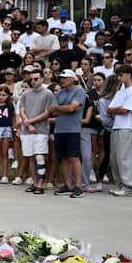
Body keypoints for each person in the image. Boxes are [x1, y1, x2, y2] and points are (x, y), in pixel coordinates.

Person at [48, 69, 87, 197]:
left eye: (65, 78)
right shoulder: (59, 93)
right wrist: (68, 108)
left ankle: (78, 186)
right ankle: (68, 185)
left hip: (73, 129)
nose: (62, 80)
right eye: (61, 78)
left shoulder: (79, 90)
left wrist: (65, 108)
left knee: (74, 158)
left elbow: (73, 107)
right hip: (59, 129)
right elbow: (53, 111)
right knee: (64, 158)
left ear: (72, 79)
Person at [16, 67, 53, 195]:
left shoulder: (48, 93)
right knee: (30, 157)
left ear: (42, 79)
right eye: (31, 79)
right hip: (27, 130)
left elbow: (48, 112)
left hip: (41, 130)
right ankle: (35, 182)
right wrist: (27, 121)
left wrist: (31, 121)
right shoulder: (26, 93)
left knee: (40, 156)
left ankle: (40, 184)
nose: (33, 81)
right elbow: (21, 110)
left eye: (36, 79)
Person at [107, 64, 132, 196]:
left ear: (129, 75)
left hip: (127, 127)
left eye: (121, 75)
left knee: (124, 158)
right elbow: (109, 108)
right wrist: (117, 109)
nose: (119, 77)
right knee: (115, 158)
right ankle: (119, 184)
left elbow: (125, 110)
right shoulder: (120, 91)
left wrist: (117, 109)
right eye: (118, 75)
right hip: (116, 127)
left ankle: (128, 186)